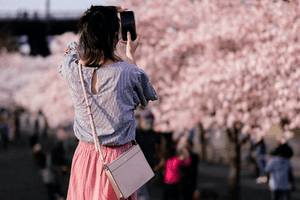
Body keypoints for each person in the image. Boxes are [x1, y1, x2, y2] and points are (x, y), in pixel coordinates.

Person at [58, 5, 158, 200]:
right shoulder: (129, 72)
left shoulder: (72, 71)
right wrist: (129, 54)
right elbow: (145, 95)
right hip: (121, 159)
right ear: (115, 36)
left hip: (85, 157)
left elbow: (72, 47)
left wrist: (92, 16)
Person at [135, 109, 159, 200]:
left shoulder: (153, 134)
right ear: (141, 120)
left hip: (150, 169)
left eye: (150, 123)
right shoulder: (134, 134)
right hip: (137, 170)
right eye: (146, 122)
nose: (148, 124)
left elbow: (156, 150)